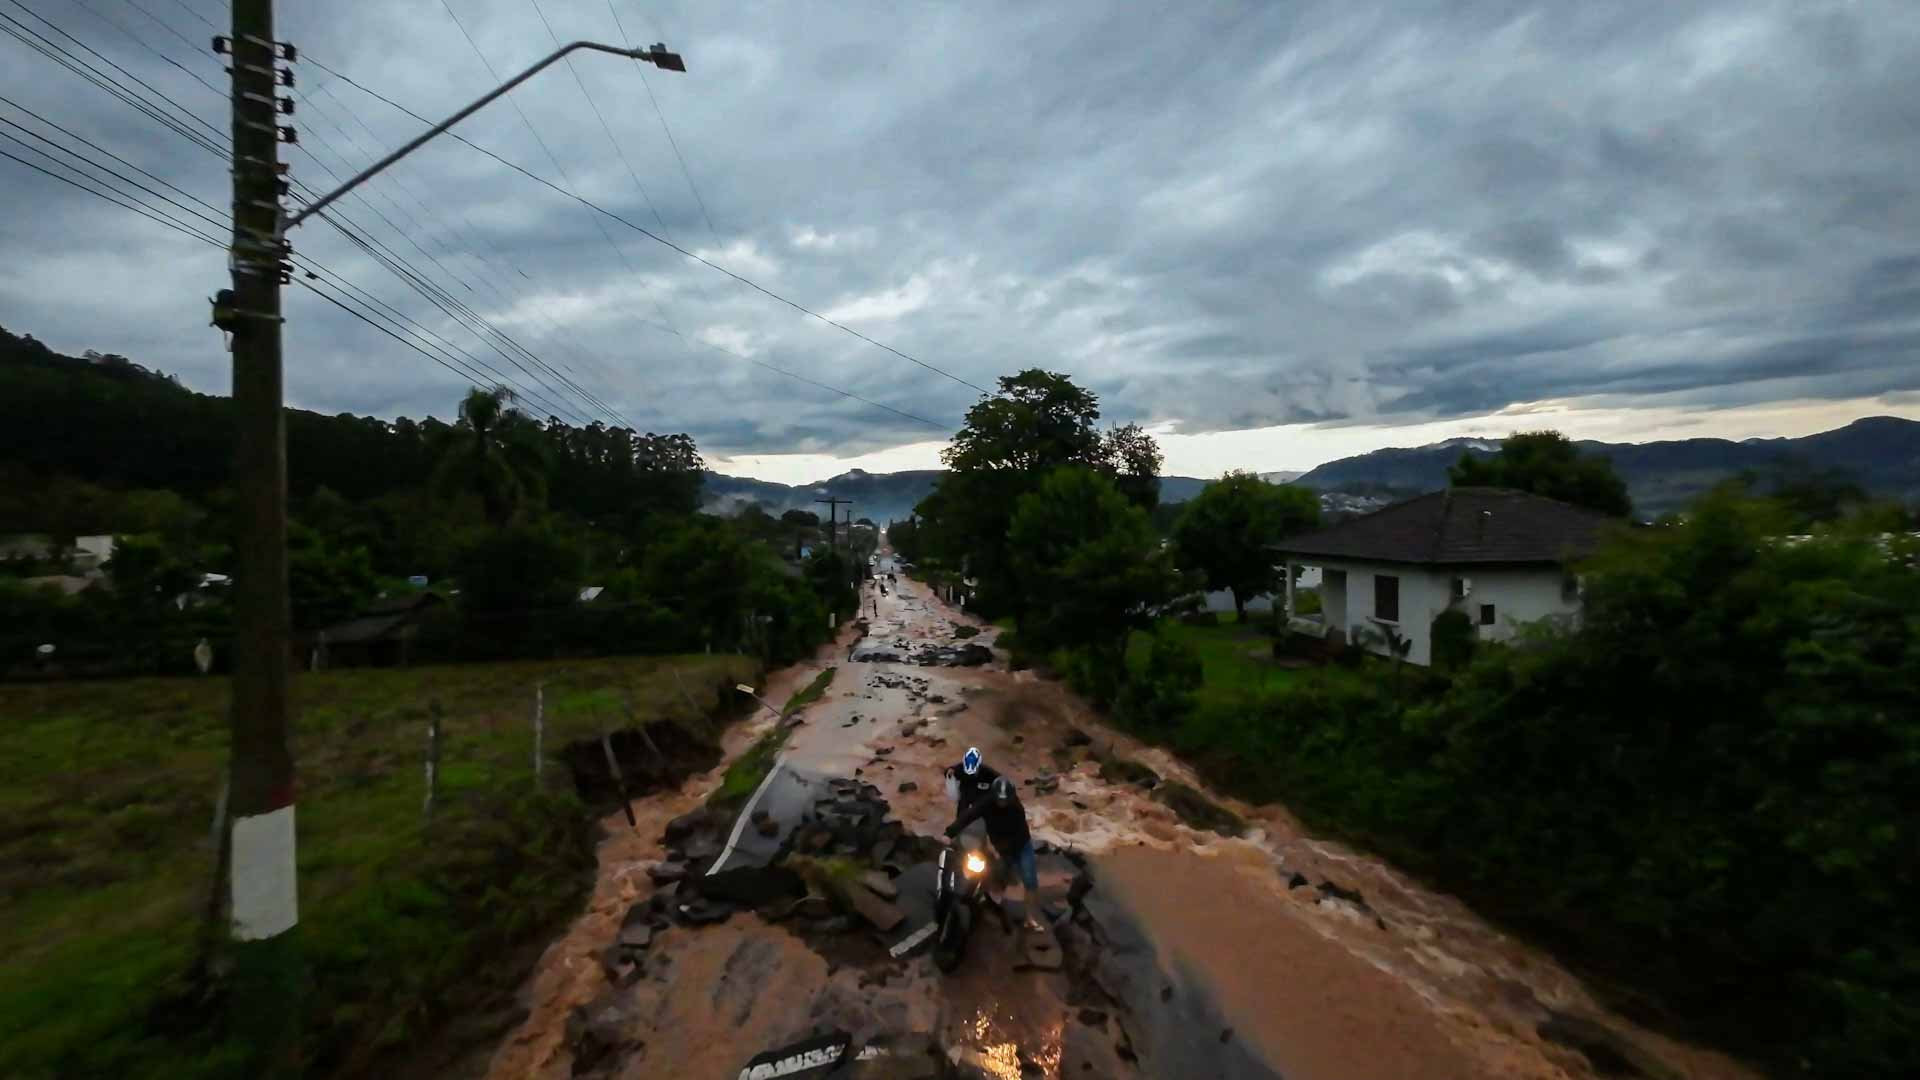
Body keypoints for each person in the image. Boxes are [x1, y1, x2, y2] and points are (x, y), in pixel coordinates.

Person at [945, 760, 1044, 934]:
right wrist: (949, 833)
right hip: (999, 844)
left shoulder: (1016, 809)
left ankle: (1029, 919)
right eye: (999, 800)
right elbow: (969, 815)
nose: (1002, 804)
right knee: (995, 874)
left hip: (1020, 844)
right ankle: (991, 897)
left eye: (1005, 801)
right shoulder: (988, 801)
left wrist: (999, 852)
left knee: (1029, 880)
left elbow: (1018, 834)